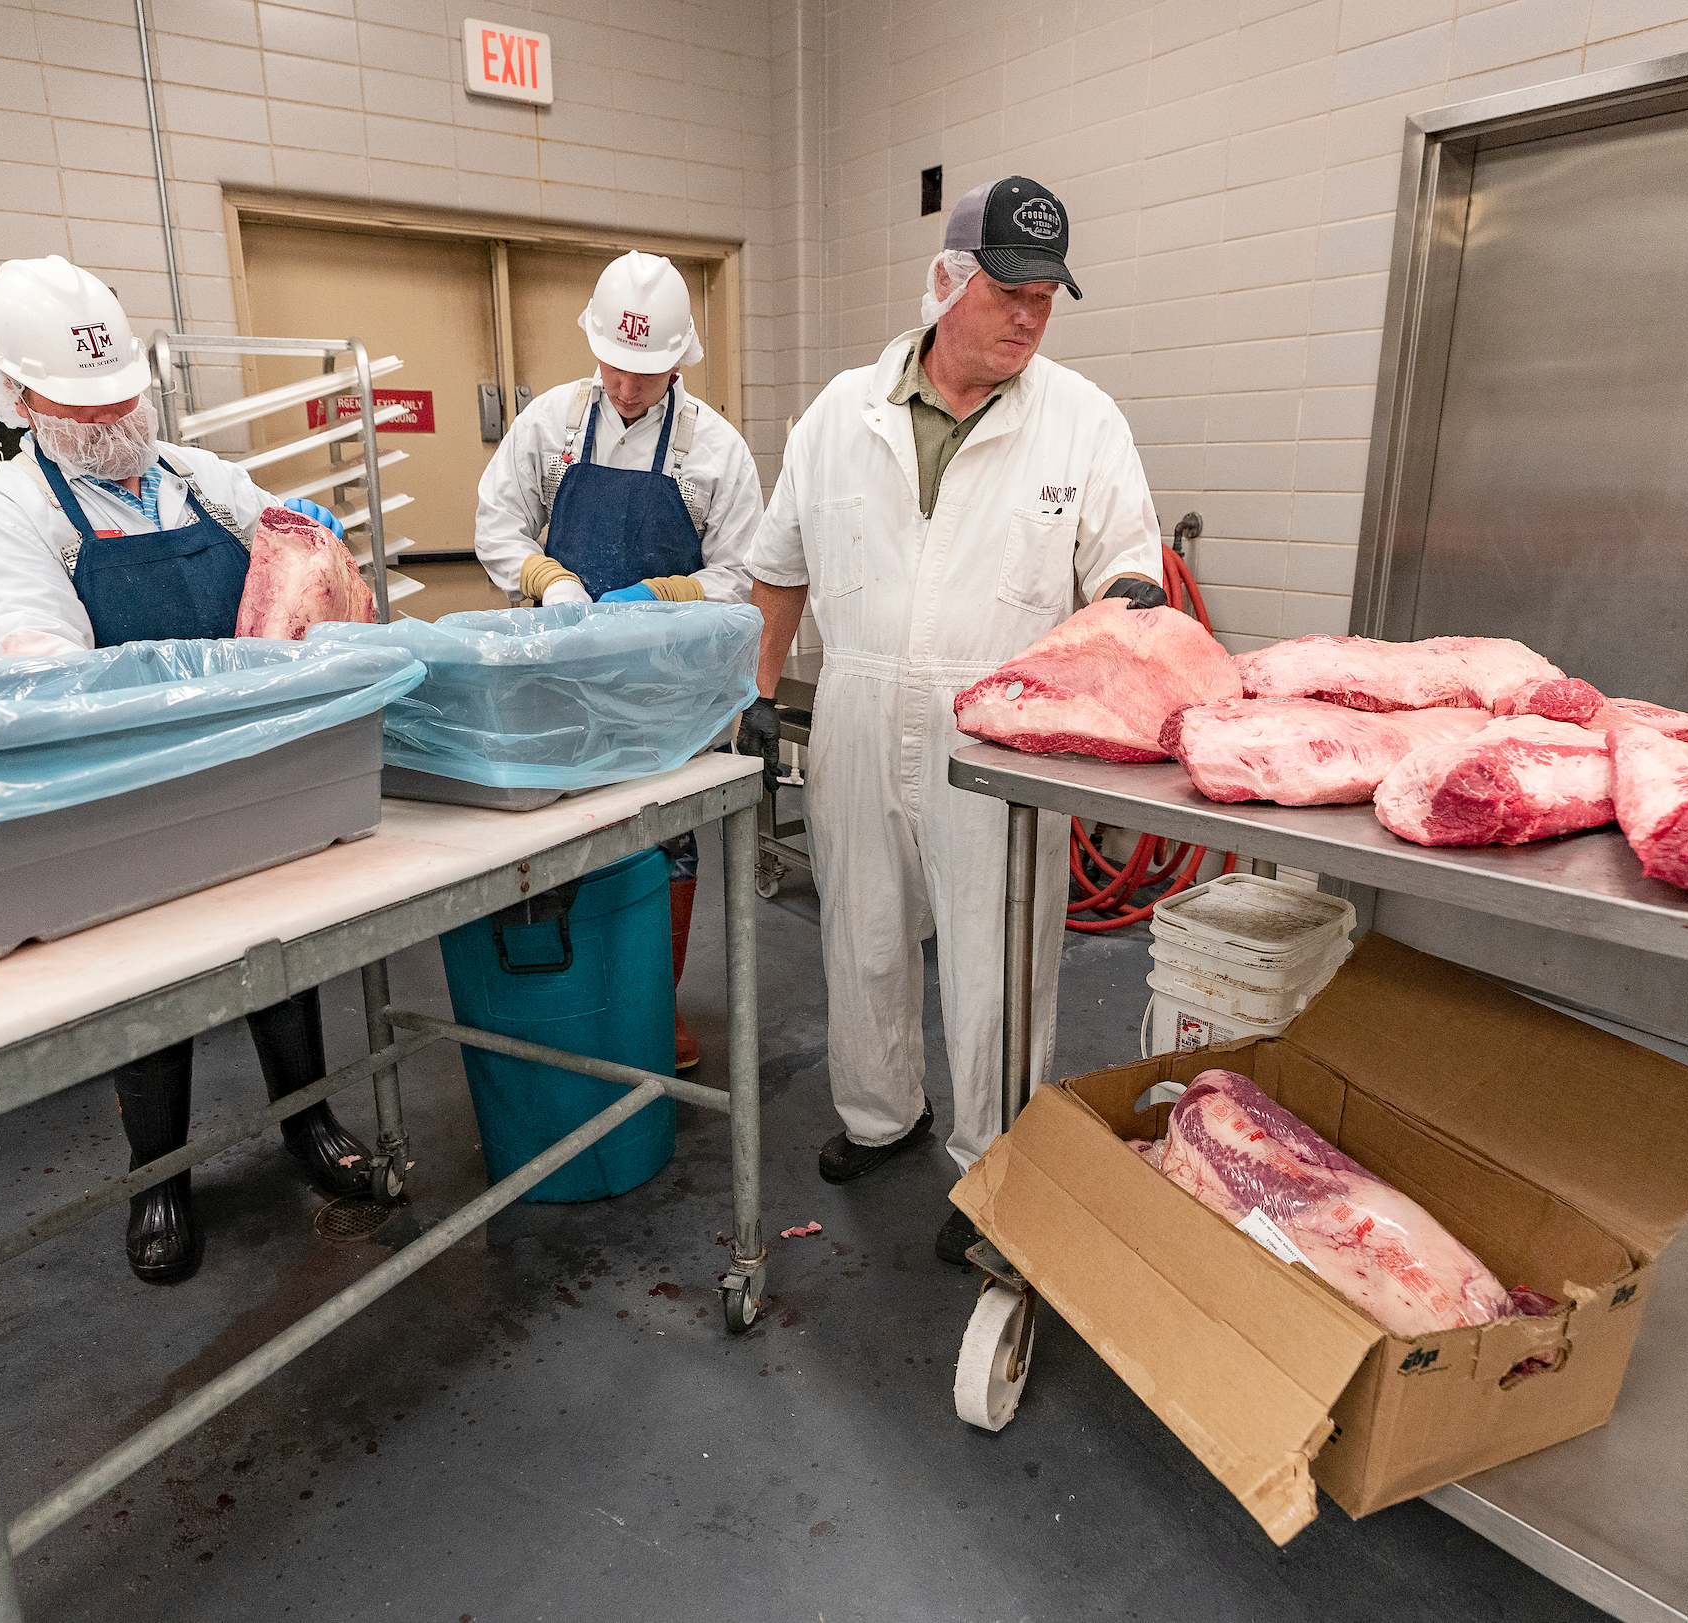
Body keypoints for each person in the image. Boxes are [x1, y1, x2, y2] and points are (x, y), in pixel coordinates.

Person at [739, 178, 1175, 1265]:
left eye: (1047, 296)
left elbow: (1130, 572)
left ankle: (995, 1160)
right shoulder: (839, 414)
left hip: (1000, 729)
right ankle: (884, 1117)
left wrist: (1119, 636)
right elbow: (778, 570)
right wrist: (752, 694)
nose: (1029, 316)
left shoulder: (1079, 418)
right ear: (945, 283)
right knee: (864, 930)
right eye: (1008, 290)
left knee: (997, 957)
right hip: (855, 705)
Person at [0, 254, 373, 1284]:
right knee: (150, 992)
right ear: (15, 398)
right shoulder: (6, 519)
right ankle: (161, 1173)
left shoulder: (196, 481)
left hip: (253, 768)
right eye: (81, 403)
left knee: (285, 956)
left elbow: (292, 549)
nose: (111, 418)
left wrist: (318, 549)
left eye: (122, 393)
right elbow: (32, 661)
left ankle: (308, 1124)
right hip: (126, 788)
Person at [473, 250, 764, 1076]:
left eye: (648, 373)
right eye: (615, 368)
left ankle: (652, 1001)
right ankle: (564, 996)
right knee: (559, 831)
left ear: (680, 360)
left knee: (665, 839)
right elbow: (496, 523)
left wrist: (662, 593)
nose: (628, 389)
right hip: (559, 678)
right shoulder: (553, 425)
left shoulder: (715, 448)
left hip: (663, 687)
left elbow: (741, 573)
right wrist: (548, 577)